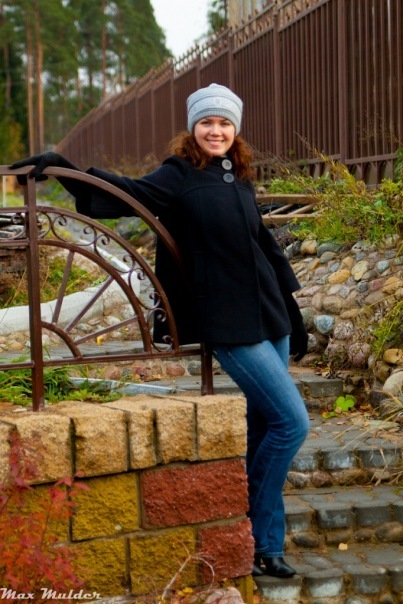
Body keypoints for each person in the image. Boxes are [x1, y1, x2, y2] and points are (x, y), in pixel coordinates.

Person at [10, 83, 310, 578]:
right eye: (207, 122)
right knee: (292, 424)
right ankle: (264, 537)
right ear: (194, 127)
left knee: (266, 426)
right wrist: (65, 169)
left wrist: (293, 313)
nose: (216, 131)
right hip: (228, 322)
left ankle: (261, 543)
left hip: (270, 314)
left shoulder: (239, 177)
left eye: (225, 123)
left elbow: (265, 247)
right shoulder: (178, 175)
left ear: (236, 130)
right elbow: (125, 192)